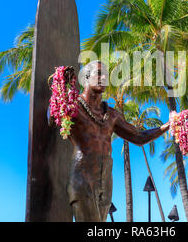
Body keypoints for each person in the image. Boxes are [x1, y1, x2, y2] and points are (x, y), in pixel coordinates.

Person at [64, 60, 170, 222]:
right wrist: (61, 90)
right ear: (86, 77)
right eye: (99, 73)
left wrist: (167, 126)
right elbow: (52, 116)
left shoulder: (112, 115)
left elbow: (139, 137)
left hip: (105, 180)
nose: (104, 77)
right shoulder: (74, 107)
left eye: (106, 75)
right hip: (83, 177)